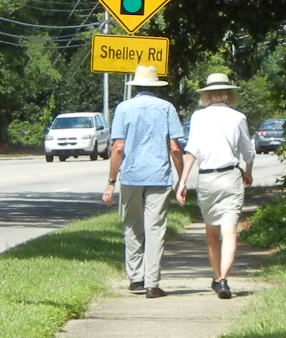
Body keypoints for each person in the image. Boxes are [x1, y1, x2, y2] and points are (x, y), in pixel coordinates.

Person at [104, 64, 186, 297]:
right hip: (159, 176)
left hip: (131, 175)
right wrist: (181, 179)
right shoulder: (166, 108)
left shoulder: (123, 108)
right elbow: (175, 148)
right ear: (156, 87)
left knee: (132, 225)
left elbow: (118, 147)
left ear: (136, 86)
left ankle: (136, 278)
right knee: (155, 228)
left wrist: (111, 181)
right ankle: (152, 283)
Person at [176, 70, 255, 298]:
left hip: (207, 178)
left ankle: (217, 276)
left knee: (211, 232)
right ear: (230, 94)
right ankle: (223, 280)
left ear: (206, 95)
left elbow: (191, 151)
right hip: (230, 177)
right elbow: (248, 153)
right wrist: (247, 174)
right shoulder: (238, 117)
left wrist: (182, 182)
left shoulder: (198, 117)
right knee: (230, 231)